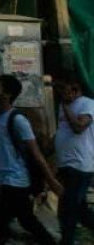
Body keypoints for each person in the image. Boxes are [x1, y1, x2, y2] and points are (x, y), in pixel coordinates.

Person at [0, 74, 62, 245]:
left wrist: (51, 181)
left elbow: (36, 153)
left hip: (16, 180)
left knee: (0, 222)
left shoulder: (18, 120)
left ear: (7, 95)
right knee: (26, 220)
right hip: (7, 179)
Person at [54, 73, 94, 245]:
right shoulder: (63, 106)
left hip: (79, 165)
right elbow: (63, 130)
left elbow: (79, 127)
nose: (60, 92)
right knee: (79, 210)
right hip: (65, 164)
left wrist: (65, 105)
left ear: (75, 88)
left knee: (68, 209)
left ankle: (67, 241)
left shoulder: (88, 104)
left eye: (62, 88)